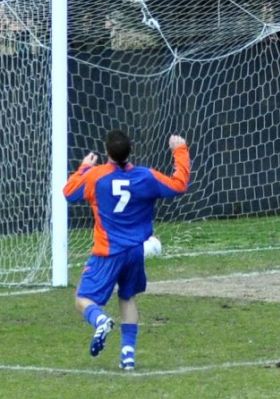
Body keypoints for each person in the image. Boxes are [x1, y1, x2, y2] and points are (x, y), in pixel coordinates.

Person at [63, 130, 190, 370]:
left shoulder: (95, 176)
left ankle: (100, 320)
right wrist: (180, 151)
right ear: (131, 151)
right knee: (127, 297)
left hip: (107, 252)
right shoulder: (146, 177)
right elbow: (179, 184)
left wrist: (84, 167)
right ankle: (128, 356)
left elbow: (69, 192)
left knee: (82, 298)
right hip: (135, 252)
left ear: (107, 151)